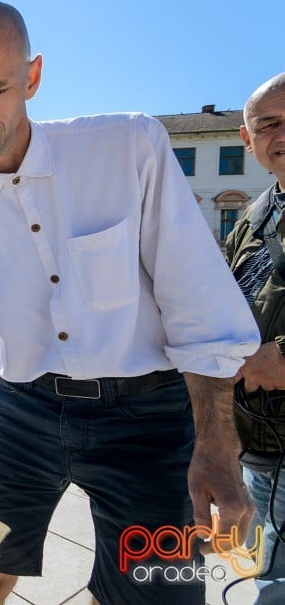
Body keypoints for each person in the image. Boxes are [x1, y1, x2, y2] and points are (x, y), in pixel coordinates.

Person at [0, 0, 259, 604]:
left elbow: (197, 308)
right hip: (23, 413)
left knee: (154, 593)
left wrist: (217, 446)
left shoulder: (128, 147)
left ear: (32, 77)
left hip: (150, 419)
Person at [224, 72, 285, 601]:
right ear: (249, 139)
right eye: (267, 125)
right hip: (256, 448)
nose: (280, 134)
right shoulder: (251, 216)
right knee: (262, 573)